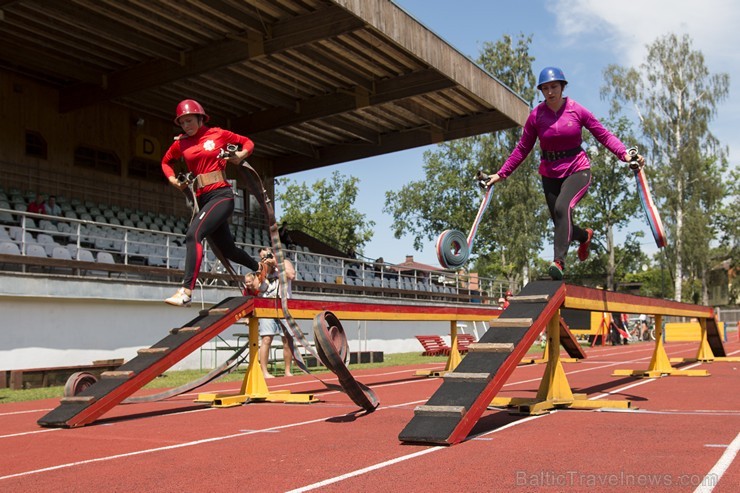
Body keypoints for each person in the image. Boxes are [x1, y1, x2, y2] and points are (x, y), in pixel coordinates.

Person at [485, 67, 645, 280]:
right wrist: (501, 174)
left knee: (562, 208)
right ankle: (584, 236)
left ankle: (558, 262)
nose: (550, 92)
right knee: (561, 220)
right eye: (545, 88)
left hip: (577, 169)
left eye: (554, 87)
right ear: (541, 90)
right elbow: (522, 148)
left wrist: (624, 154)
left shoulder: (576, 110)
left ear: (562, 87)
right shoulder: (536, 116)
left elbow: (603, 135)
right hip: (549, 173)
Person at [162, 99, 262, 306]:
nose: (186, 126)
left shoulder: (218, 134)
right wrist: (173, 180)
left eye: (189, 121)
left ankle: (186, 291)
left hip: (222, 195)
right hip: (202, 199)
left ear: (200, 118)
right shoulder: (180, 143)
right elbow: (165, 162)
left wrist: (241, 155)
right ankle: (259, 268)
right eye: (182, 123)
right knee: (228, 250)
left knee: (193, 234)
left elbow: (247, 142)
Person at [244, 246, 297, 378]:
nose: (264, 259)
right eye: (262, 257)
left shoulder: (284, 263)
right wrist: (260, 274)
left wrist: (275, 264)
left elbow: (291, 275)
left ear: (272, 254)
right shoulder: (262, 268)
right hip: (267, 305)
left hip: (283, 304)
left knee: (287, 339)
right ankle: (264, 371)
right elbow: (256, 288)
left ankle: (287, 370)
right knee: (266, 338)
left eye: (266, 256)